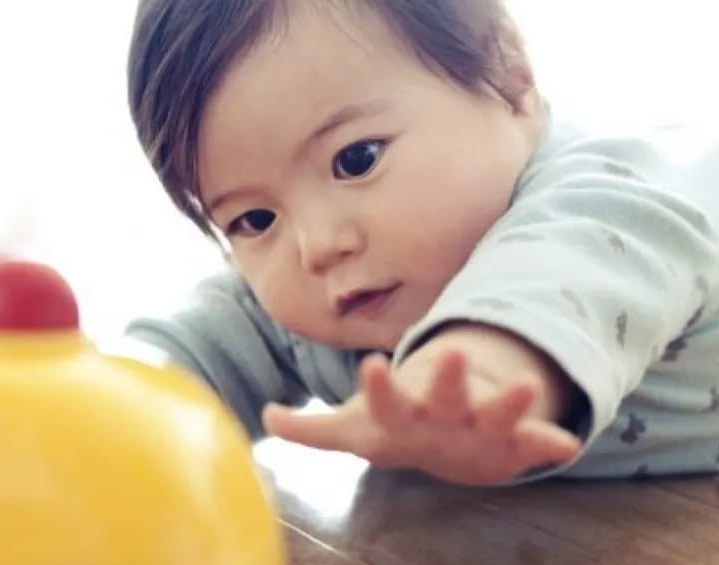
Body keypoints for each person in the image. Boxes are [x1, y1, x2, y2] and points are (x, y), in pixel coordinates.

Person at [125, 0, 719, 486]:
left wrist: (468, 381)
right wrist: (102, 408)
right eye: (254, 220)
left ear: (508, 74)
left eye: (355, 160)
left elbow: (555, 278)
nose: (317, 246)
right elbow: (199, 345)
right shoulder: (338, 297)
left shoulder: (618, 195)